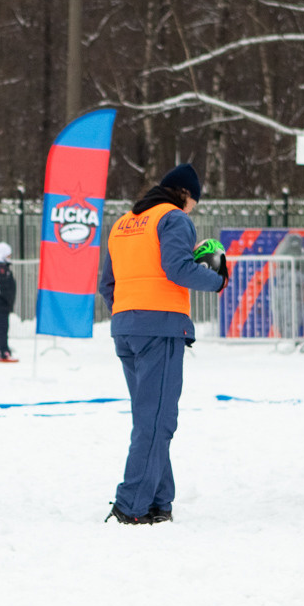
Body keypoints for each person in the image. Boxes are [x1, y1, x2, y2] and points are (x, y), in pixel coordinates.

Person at [97, 162, 225, 524]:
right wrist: (218, 280)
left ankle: (158, 501)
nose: (192, 210)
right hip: (161, 328)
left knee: (148, 418)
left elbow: (107, 284)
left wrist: (129, 312)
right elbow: (177, 268)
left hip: (126, 328)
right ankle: (131, 506)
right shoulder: (173, 218)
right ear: (184, 194)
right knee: (157, 421)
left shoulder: (123, 223)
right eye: (194, 203)